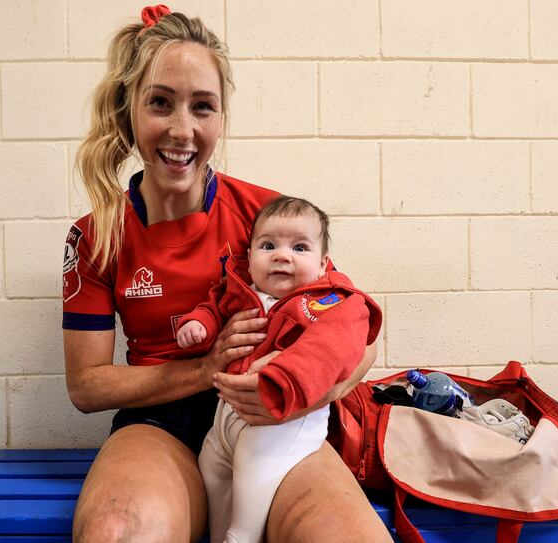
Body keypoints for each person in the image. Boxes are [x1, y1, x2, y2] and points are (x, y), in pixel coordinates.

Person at [62, 5, 391, 542]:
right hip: (157, 423)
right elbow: (87, 385)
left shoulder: (269, 220)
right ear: (129, 110)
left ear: (221, 117)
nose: (182, 129)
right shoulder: (95, 234)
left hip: (269, 420)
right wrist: (204, 369)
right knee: (117, 532)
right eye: (160, 103)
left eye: (203, 107)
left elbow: (361, 335)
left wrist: (298, 390)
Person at [176, 196, 382, 542]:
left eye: (300, 248)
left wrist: (285, 374)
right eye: (268, 245)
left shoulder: (328, 302)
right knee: (212, 469)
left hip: (283, 419)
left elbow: (332, 348)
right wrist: (199, 325)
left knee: (253, 478)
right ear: (250, 256)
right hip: (227, 416)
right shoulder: (240, 290)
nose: (282, 255)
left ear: (322, 265)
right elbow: (212, 307)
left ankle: (241, 537)